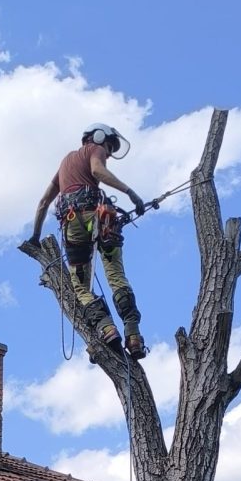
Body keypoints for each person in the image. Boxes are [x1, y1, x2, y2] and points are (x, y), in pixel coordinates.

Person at [29, 124, 149, 358]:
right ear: (98, 137)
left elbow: (43, 203)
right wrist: (130, 192)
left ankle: (106, 328)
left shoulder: (64, 163)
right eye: (109, 147)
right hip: (101, 220)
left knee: (81, 287)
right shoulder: (95, 149)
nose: (108, 154)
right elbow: (97, 171)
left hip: (72, 224)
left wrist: (35, 236)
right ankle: (133, 336)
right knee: (116, 276)